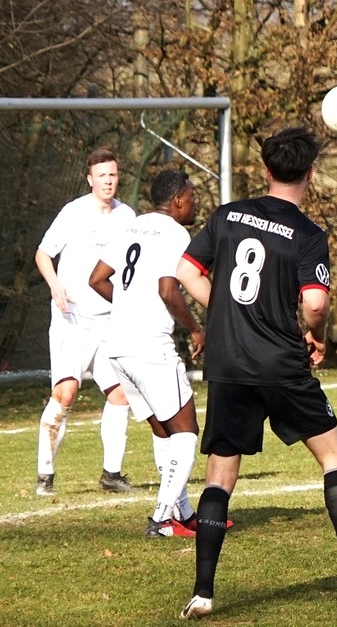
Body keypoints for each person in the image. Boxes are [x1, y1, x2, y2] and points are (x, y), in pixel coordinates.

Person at [175, 127, 337, 619]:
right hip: (280, 362)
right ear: (310, 174)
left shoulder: (227, 215)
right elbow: (315, 303)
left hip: (229, 365)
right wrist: (315, 335)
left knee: (219, 478)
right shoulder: (307, 233)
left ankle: (203, 593)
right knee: (334, 458)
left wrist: (228, 315)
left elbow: (186, 272)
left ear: (267, 169)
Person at [89, 169, 207, 537]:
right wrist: (195, 328)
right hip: (150, 346)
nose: (195, 202)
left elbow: (96, 279)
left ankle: (184, 514)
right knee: (186, 431)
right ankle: (160, 520)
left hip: (118, 346)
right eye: (192, 196)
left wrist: (128, 306)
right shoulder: (175, 233)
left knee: (164, 430)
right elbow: (168, 290)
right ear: (177, 200)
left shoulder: (132, 226)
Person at [34, 147, 138, 496]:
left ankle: (111, 474)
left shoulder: (127, 216)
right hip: (73, 320)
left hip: (109, 322)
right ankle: (45, 477)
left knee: (120, 394)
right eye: (102, 175)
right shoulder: (73, 212)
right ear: (90, 179)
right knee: (65, 394)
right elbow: (43, 254)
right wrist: (55, 285)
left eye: (113, 175)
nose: (108, 181)